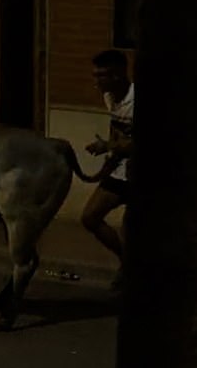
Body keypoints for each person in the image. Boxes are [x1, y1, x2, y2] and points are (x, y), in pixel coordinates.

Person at [80, 49, 134, 289]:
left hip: (143, 174)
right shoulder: (110, 97)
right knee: (90, 217)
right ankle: (128, 262)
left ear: (119, 74)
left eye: (102, 75)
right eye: (95, 75)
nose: (97, 81)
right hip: (120, 169)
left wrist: (108, 146)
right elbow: (118, 131)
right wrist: (108, 161)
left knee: (131, 227)